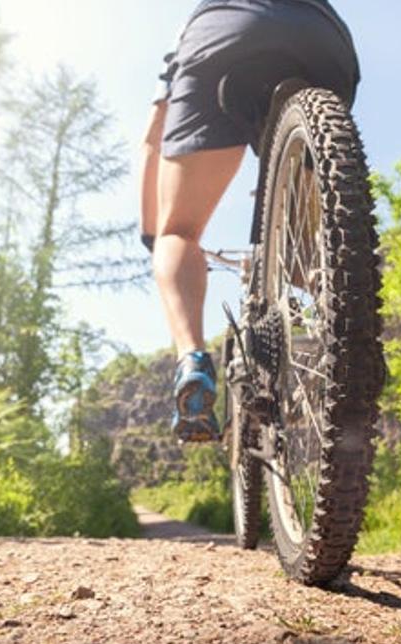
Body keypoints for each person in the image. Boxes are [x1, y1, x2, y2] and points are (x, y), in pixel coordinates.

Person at [139, 0, 360, 442]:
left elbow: (153, 138)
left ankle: (193, 362)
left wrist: (157, 234)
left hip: (223, 35)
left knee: (178, 230)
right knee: (305, 246)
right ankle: (352, 332)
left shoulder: (191, 24)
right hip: (327, 41)